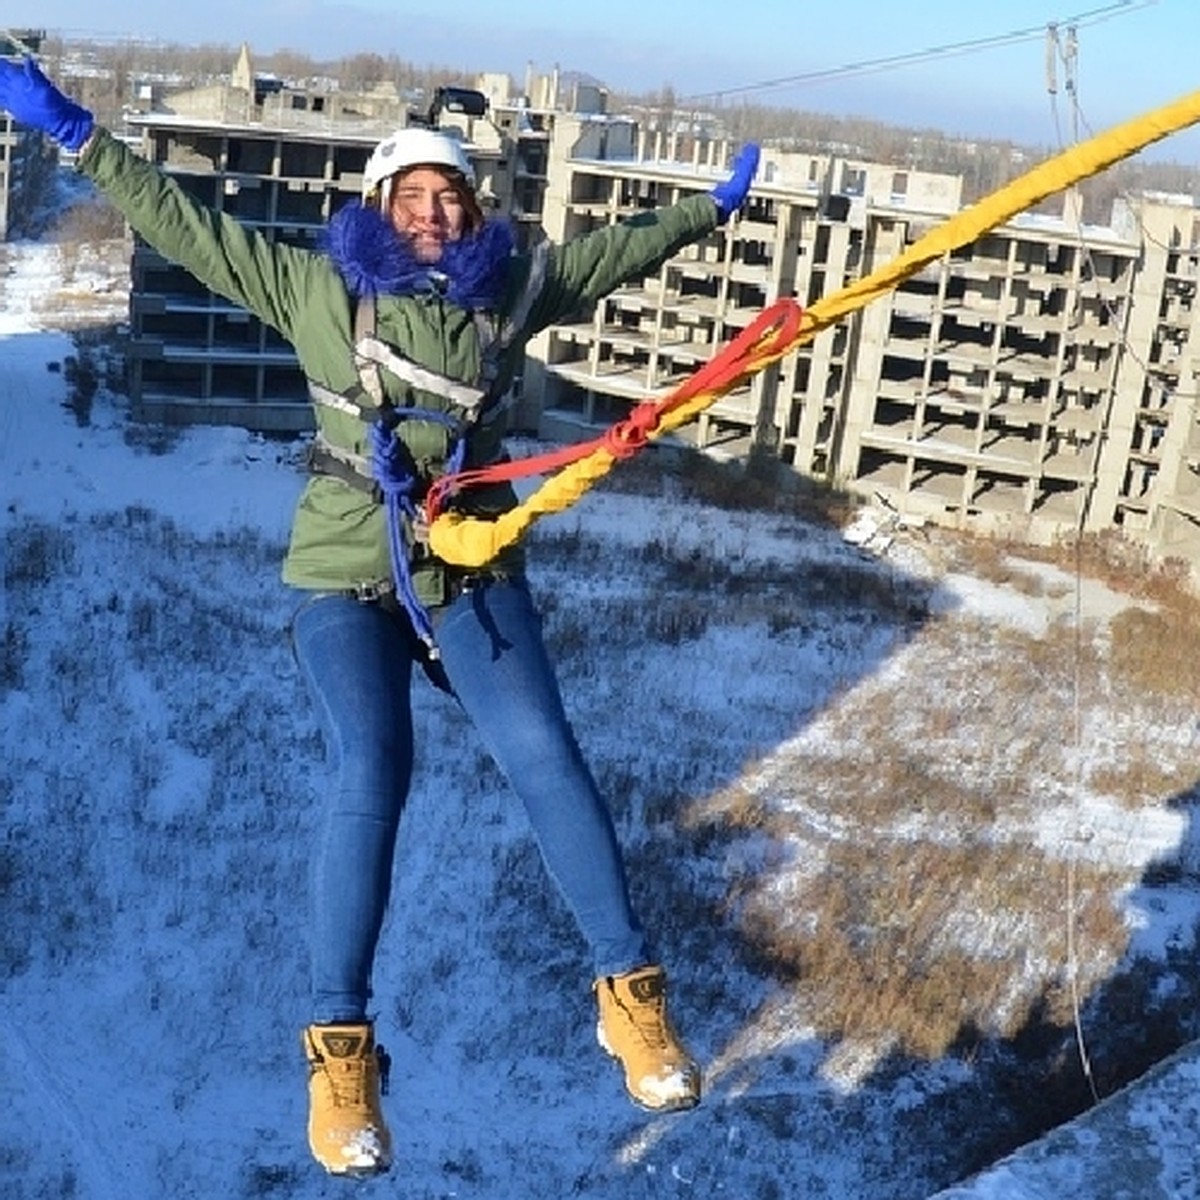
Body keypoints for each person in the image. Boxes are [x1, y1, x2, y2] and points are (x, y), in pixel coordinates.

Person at [0, 57, 760, 1177]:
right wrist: (76, 134)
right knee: (373, 767)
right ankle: (341, 1055)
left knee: (546, 751)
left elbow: (606, 258)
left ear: (474, 212)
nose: (435, 210)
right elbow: (185, 220)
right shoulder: (318, 290)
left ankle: (631, 998)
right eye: (414, 194)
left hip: (468, 569)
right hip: (346, 574)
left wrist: (706, 208)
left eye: (451, 195)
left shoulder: (505, 293)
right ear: (379, 208)